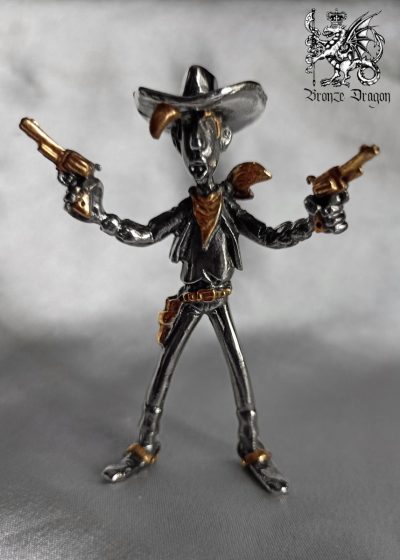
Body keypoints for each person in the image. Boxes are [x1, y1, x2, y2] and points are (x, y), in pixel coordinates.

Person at [58, 65, 348, 493]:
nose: (196, 152)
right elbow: (144, 233)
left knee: (239, 372)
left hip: (220, 297)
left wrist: (313, 223)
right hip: (192, 299)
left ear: (222, 140)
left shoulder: (229, 205)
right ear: (178, 145)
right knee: (164, 372)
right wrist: (98, 214)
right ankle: (145, 444)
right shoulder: (185, 210)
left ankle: (252, 446)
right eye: (187, 142)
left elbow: (270, 236)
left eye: (203, 141)